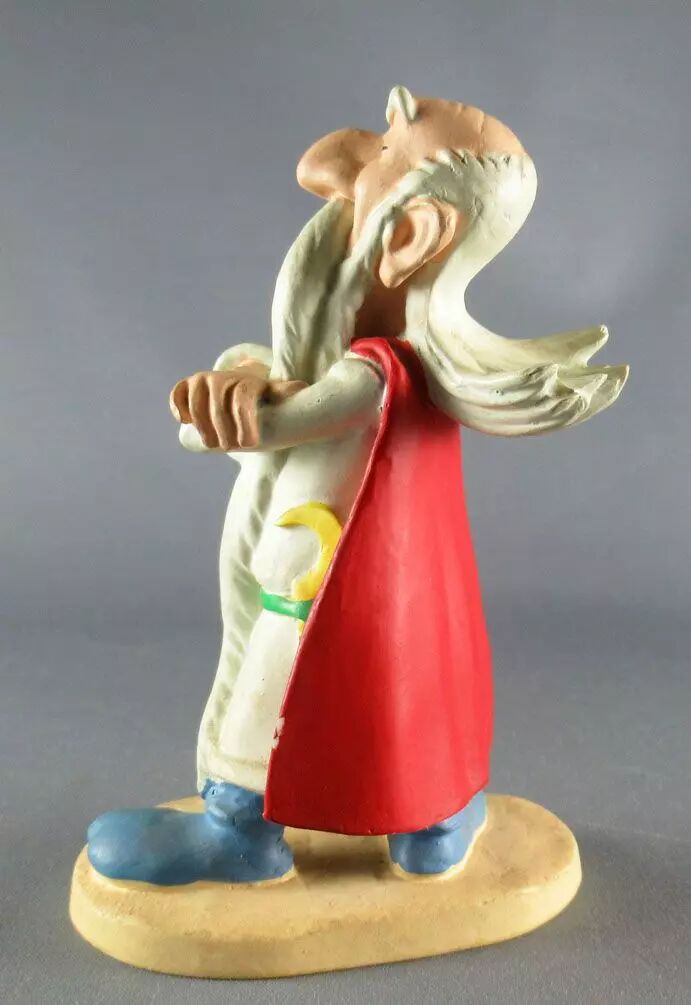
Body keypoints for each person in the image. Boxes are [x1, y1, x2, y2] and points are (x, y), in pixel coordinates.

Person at [87, 87, 627, 885]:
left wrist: (226, 400)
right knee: (398, 702)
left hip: (317, 597)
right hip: (372, 594)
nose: (345, 155)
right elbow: (284, 397)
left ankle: (242, 834)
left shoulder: (372, 374)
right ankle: (434, 822)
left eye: (381, 148)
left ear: (408, 234)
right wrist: (246, 370)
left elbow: (254, 427)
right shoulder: (391, 371)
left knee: (273, 700)